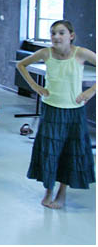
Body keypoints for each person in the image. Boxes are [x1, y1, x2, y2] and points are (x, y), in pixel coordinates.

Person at [17, 20, 95, 209]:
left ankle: (62, 192)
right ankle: (49, 190)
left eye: (61, 33)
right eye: (53, 33)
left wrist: (90, 91)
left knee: (70, 151)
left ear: (71, 36)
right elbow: (21, 65)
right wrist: (35, 86)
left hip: (73, 112)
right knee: (50, 151)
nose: (56, 37)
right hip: (51, 109)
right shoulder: (46, 53)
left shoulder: (81, 53)